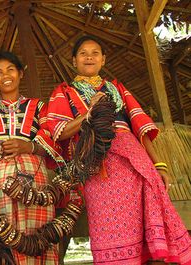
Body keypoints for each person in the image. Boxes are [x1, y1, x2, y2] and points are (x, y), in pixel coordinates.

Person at [46, 35, 191, 264]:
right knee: (107, 224)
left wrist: (159, 164)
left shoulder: (117, 88)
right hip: (97, 165)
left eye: (95, 53)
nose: (89, 57)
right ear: (74, 60)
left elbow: (140, 129)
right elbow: (59, 132)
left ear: (103, 59)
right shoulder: (64, 92)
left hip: (134, 161)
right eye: (83, 53)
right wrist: (89, 113)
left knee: (148, 220)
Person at [0, 51, 64, 265]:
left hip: (34, 175)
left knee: (37, 232)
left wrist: (28, 146)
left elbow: (52, 141)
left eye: (11, 69)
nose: (5, 75)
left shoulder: (39, 106)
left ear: (20, 73)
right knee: (1, 230)